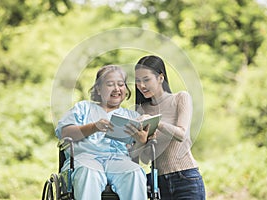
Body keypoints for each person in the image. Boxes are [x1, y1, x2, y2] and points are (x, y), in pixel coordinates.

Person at [55, 65, 148, 200]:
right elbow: (65, 133)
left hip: (118, 160)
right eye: (110, 84)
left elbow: (137, 152)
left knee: (134, 172)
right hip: (86, 158)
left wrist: (141, 140)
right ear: (98, 89)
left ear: (126, 90)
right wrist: (94, 127)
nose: (116, 89)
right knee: (89, 172)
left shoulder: (132, 116)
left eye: (121, 84)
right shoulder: (83, 108)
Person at [133, 55, 206, 200]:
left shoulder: (180, 98)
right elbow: (146, 159)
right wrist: (141, 141)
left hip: (185, 178)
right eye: (137, 81)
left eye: (146, 80)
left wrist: (156, 123)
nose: (141, 86)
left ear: (161, 78)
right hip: (158, 183)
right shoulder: (142, 110)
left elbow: (182, 135)